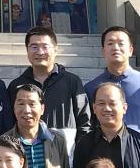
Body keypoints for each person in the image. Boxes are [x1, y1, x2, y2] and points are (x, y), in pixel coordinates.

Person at [8, 26, 91, 154]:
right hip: (28, 154)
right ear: (27, 50)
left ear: (55, 50)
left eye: (45, 47)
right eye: (34, 47)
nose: (40, 52)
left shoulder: (72, 81)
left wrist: (79, 153)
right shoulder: (17, 85)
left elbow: (84, 122)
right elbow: (10, 123)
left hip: (65, 155)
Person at [85, 26, 140, 134]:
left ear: (130, 50)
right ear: (103, 51)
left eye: (121, 43)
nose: (115, 47)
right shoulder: (91, 87)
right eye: (110, 43)